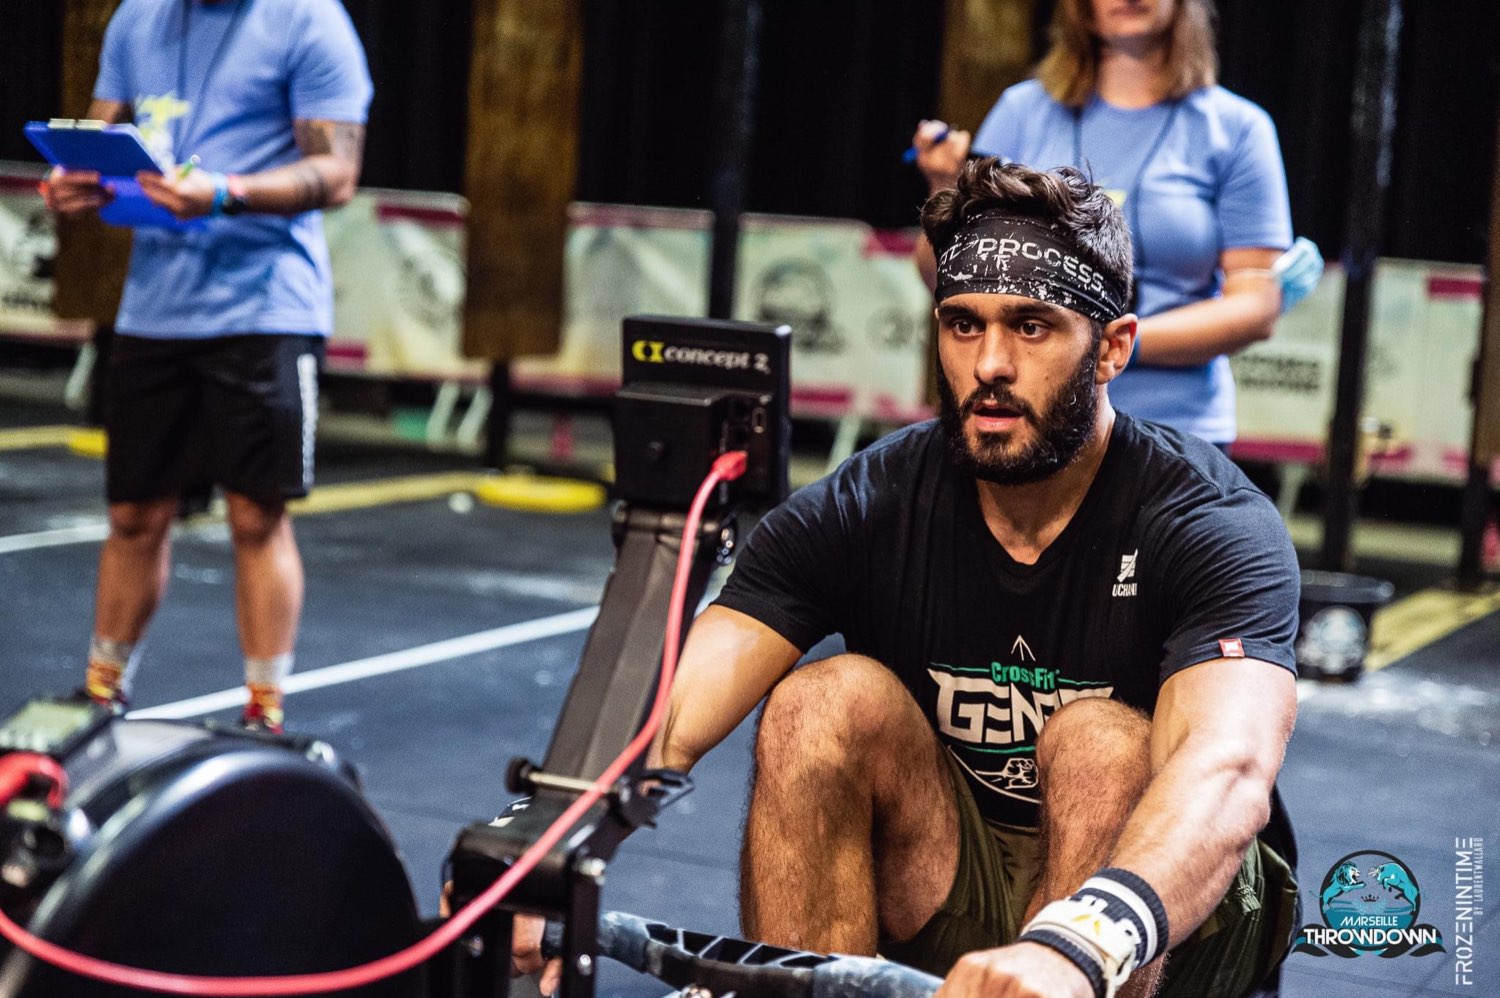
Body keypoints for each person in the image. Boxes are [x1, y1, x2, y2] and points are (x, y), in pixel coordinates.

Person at [517, 159, 1301, 998]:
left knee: (1100, 745)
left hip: (1162, 917)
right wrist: (530, 855)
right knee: (822, 702)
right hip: (951, 873)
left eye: (1031, 327)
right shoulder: (869, 503)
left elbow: (1227, 771)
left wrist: (1081, 943)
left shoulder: (1208, 521)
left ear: (1112, 348)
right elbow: (665, 716)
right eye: (963, 325)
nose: (990, 363)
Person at [39, 0, 373, 733]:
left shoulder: (307, 20)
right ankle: (102, 693)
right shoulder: (138, 18)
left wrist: (224, 192)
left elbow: (337, 171)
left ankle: (264, 711)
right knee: (133, 513)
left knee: (256, 514)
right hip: (154, 308)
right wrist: (73, 181)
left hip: (265, 307)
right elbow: (100, 137)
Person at [912, 0, 1292, 451]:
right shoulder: (1022, 110)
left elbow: (1256, 306)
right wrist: (943, 185)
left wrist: (1108, 345)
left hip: (1179, 428)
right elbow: (950, 279)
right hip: (1034, 423)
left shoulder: (1238, 128)